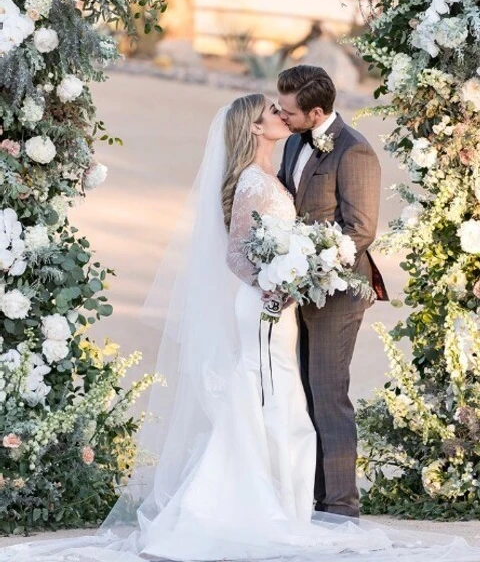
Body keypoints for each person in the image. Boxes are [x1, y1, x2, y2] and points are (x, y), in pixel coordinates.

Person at [1, 95, 478, 562]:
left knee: (278, 394)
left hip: (281, 303)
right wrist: (273, 283)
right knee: (267, 392)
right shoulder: (253, 181)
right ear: (253, 126)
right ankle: (250, 504)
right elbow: (236, 254)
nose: (280, 114)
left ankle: (283, 506)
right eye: (272, 110)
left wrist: (297, 271)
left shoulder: (272, 171)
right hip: (264, 305)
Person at [277, 64, 388, 519]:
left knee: (327, 392)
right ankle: (310, 498)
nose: (280, 116)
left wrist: (310, 267)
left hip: (338, 292)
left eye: (288, 111)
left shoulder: (355, 152)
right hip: (296, 289)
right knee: (301, 390)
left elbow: (359, 231)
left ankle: (341, 507)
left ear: (316, 111)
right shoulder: (290, 142)